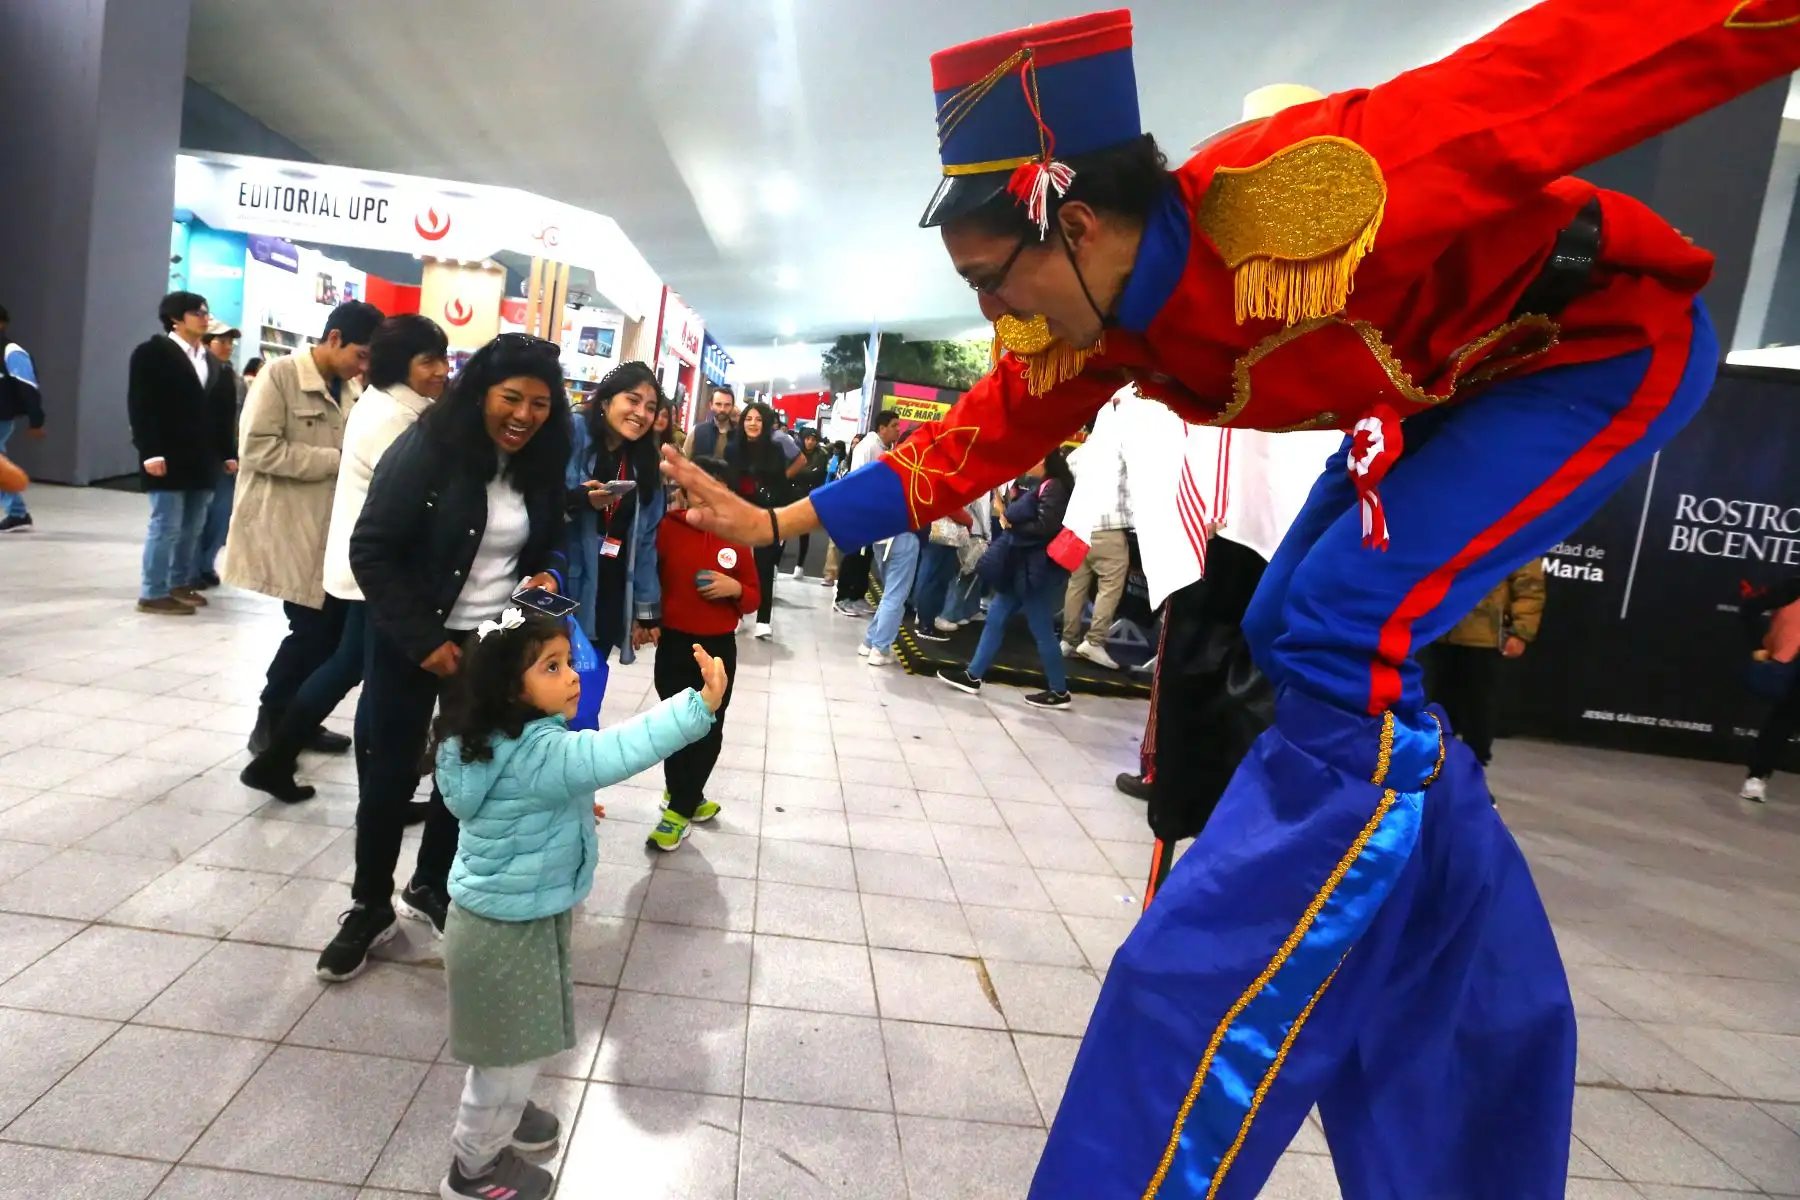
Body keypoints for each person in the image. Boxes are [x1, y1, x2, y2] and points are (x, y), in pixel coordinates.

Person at [660, 7, 1784, 1195]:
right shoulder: (1090, 325)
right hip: (1442, 394)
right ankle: (1429, 902)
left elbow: (1566, 72)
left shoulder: (1310, 183)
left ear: (1075, 224)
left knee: (1344, 625)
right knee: (1277, 626)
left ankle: (1301, 901)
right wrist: (778, 523)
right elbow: (975, 439)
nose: (993, 318)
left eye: (990, 280)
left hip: (1596, 346)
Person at [431, 609, 724, 1200]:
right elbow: (616, 750)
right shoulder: (542, 754)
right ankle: (473, 1169)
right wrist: (697, 707)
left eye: (568, 662)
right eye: (552, 667)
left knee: (512, 1041)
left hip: (497, 919)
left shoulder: (486, 740)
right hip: (508, 929)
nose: (573, 677)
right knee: (504, 1058)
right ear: (510, 688)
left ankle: (508, 1107)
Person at [318, 333, 572, 983]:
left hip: (491, 646)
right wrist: (424, 641)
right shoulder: (429, 448)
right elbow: (371, 548)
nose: (523, 415)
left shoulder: (542, 460)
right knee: (390, 775)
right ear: (480, 392)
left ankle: (431, 882)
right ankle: (369, 905)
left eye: (539, 404)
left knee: (469, 772)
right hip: (414, 641)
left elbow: (552, 536)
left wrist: (549, 569)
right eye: (510, 398)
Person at [240, 315, 451, 804]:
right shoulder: (396, 419)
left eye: (443, 359)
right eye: (429, 361)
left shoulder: (385, 402)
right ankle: (374, 800)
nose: (441, 370)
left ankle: (279, 762)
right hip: (378, 571)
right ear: (401, 363)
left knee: (350, 664)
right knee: (370, 678)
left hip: (364, 567)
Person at [226, 300, 383, 757]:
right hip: (291, 530)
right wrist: (337, 461)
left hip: (332, 536)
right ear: (334, 338)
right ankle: (271, 718)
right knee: (310, 634)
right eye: (360, 354)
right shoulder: (280, 377)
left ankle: (302, 719)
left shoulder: (352, 390)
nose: (363, 366)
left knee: (330, 637)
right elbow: (257, 449)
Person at [647, 455, 762, 852]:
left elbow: (754, 597)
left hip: (717, 649)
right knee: (675, 724)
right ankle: (685, 794)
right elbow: (648, 581)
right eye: (697, 486)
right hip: (674, 643)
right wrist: (644, 620)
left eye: (714, 488)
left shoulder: (738, 536)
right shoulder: (666, 528)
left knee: (708, 726)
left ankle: (678, 809)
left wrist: (736, 589)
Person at [938, 450, 1076, 708]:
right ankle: (973, 675)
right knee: (996, 618)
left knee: (1041, 630)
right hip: (1022, 568)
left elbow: (1046, 527)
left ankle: (1059, 691)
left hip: (1034, 572)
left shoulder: (1054, 487)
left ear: (1043, 459)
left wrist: (1010, 523)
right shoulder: (1046, 485)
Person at [128, 291, 231, 616]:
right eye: (197, 312)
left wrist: (226, 452)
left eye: (206, 312)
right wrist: (150, 451)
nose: (204, 318)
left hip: (202, 458)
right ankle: (153, 591)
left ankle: (179, 583)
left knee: (193, 526)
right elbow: (141, 405)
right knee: (166, 524)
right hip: (167, 455)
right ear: (175, 318)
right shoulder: (152, 353)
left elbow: (220, 412)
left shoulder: (211, 361)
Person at [566, 361, 665, 665]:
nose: (641, 413)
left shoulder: (645, 460)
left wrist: (646, 612)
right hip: (564, 585)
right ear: (606, 401)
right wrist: (580, 500)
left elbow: (646, 542)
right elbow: (538, 500)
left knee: (591, 679)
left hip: (612, 590)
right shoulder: (573, 433)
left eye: (650, 408)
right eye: (632, 400)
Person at [1424, 560, 1545, 769]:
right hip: (1440, 631)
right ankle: (1432, 760)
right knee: (1437, 702)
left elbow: (1529, 587)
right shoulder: (1445, 537)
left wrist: (1520, 632)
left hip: (1484, 637)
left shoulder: (1511, 540)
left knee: (1478, 707)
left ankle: (1474, 765)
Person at [1058, 403, 1133, 670]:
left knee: (1076, 584)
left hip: (1080, 528)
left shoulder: (1078, 456)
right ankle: (1095, 641)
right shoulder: (1123, 452)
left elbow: (1068, 484)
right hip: (1108, 529)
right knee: (1110, 585)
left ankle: (1068, 640)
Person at [727, 401, 789, 639]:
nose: (752, 424)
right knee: (733, 564)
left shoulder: (775, 450)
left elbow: (781, 486)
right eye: (748, 419)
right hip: (736, 513)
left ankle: (763, 619)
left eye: (758, 419)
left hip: (765, 515)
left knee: (764, 567)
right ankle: (736, 615)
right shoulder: (732, 449)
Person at [831, 413, 901, 618]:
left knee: (865, 557)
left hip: (874, 512)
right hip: (861, 511)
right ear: (882, 428)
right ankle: (842, 598)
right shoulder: (867, 446)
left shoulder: (886, 449)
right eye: (894, 425)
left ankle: (857, 596)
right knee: (854, 554)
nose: (898, 429)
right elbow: (858, 478)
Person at [1738, 574, 1800, 803]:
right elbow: (1750, 608)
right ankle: (1756, 777)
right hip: (1793, 666)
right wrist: (1759, 648)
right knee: (1783, 721)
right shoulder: (1795, 585)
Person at [196, 320, 244, 587]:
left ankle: (205, 563)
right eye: (221, 341)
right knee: (200, 516)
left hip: (227, 455)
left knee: (221, 514)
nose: (227, 346)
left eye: (230, 342)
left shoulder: (231, 375)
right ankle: (192, 568)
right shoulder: (201, 373)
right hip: (206, 455)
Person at [0, 304, 45, 533]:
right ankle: (17, 513)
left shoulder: (12, 352)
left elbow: (27, 386)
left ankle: (18, 513)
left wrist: (36, 420)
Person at [785, 427, 830, 578]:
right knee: (784, 529)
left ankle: (800, 566)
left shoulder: (821, 455)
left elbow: (818, 475)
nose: (810, 442)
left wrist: (800, 472)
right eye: (807, 439)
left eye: (813, 439)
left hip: (809, 497)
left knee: (804, 532)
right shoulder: (795, 452)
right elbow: (789, 473)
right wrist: (804, 473)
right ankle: (776, 563)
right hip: (791, 494)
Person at [683, 384, 737, 459]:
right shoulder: (697, 431)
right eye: (718, 404)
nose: (722, 409)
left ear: (732, 406)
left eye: (727, 405)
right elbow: (684, 461)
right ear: (711, 405)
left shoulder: (739, 435)